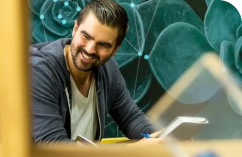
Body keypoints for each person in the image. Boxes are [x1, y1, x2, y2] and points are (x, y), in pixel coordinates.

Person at [30, 0, 161, 146]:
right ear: (75, 29)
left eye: (103, 45)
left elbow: (131, 118)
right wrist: (133, 150)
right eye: (86, 36)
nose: (90, 49)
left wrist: (159, 139)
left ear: (115, 49)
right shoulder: (38, 71)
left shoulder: (108, 69)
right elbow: (53, 145)